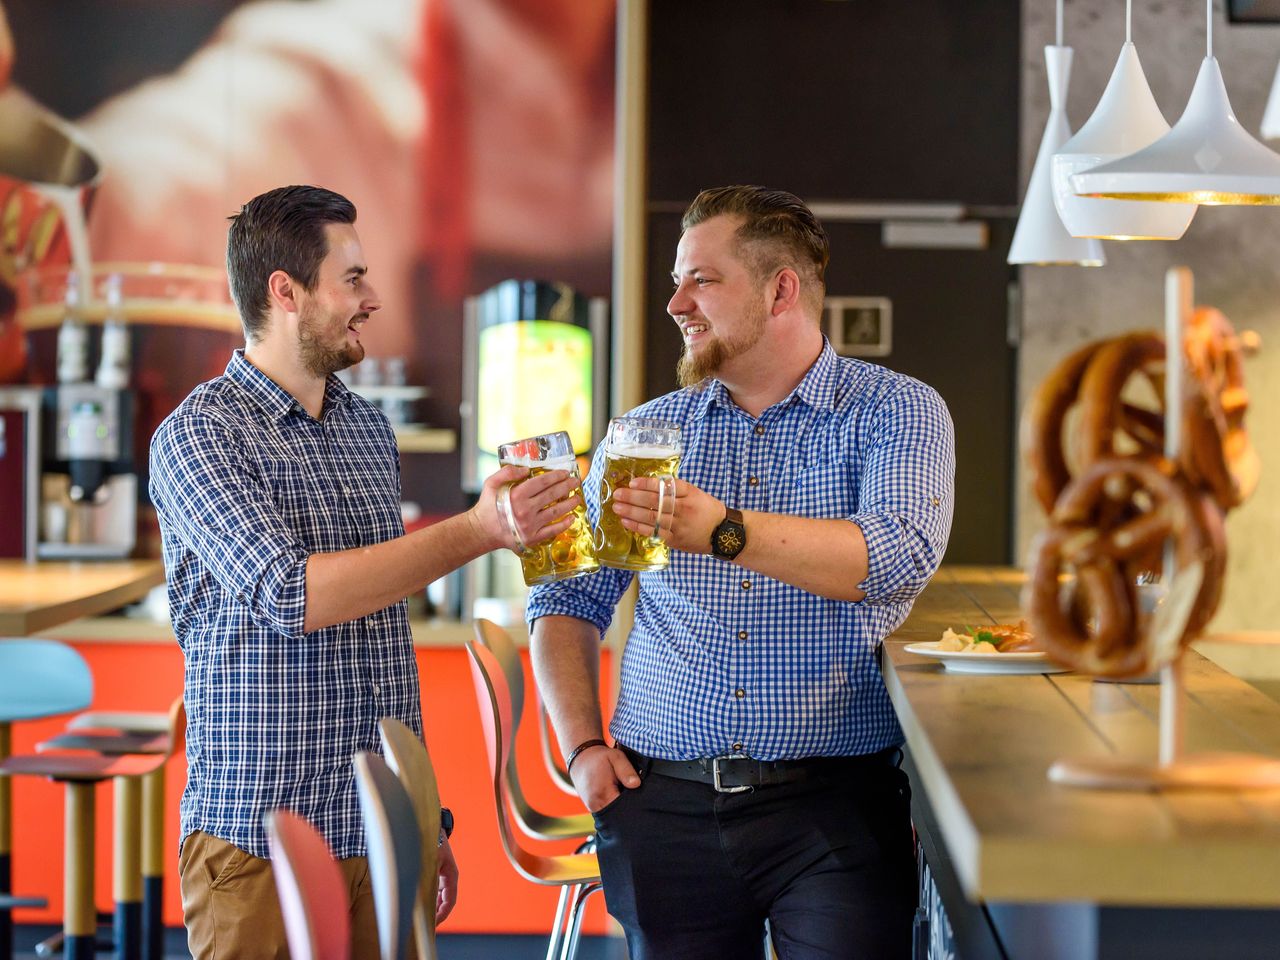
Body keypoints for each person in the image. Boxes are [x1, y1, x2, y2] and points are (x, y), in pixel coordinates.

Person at [148, 184, 582, 959]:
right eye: (351, 279)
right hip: (258, 842)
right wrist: (482, 529)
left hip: (383, 831)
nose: (373, 297)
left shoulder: (365, 430)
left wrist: (428, 812)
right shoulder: (197, 437)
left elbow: (383, 649)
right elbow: (291, 594)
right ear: (285, 292)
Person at [526, 185, 956, 959]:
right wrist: (582, 748)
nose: (676, 303)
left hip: (836, 811)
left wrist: (721, 529)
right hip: (659, 804)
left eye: (702, 280)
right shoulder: (646, 433)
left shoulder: (895, 412)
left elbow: (893, 554)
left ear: (780, 288)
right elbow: (569, 596)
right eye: (675, 281)